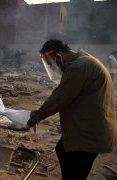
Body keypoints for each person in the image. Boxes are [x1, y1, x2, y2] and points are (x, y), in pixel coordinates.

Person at [27, 40, 117, 179]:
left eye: (52, 64)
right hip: (90, 127)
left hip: (89, 132)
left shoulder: (78, 67)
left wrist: (35, 117)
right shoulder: (85, 60)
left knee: (74, 171)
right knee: (62, 150)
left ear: (58, 57)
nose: (54, 67)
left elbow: (60, 98)